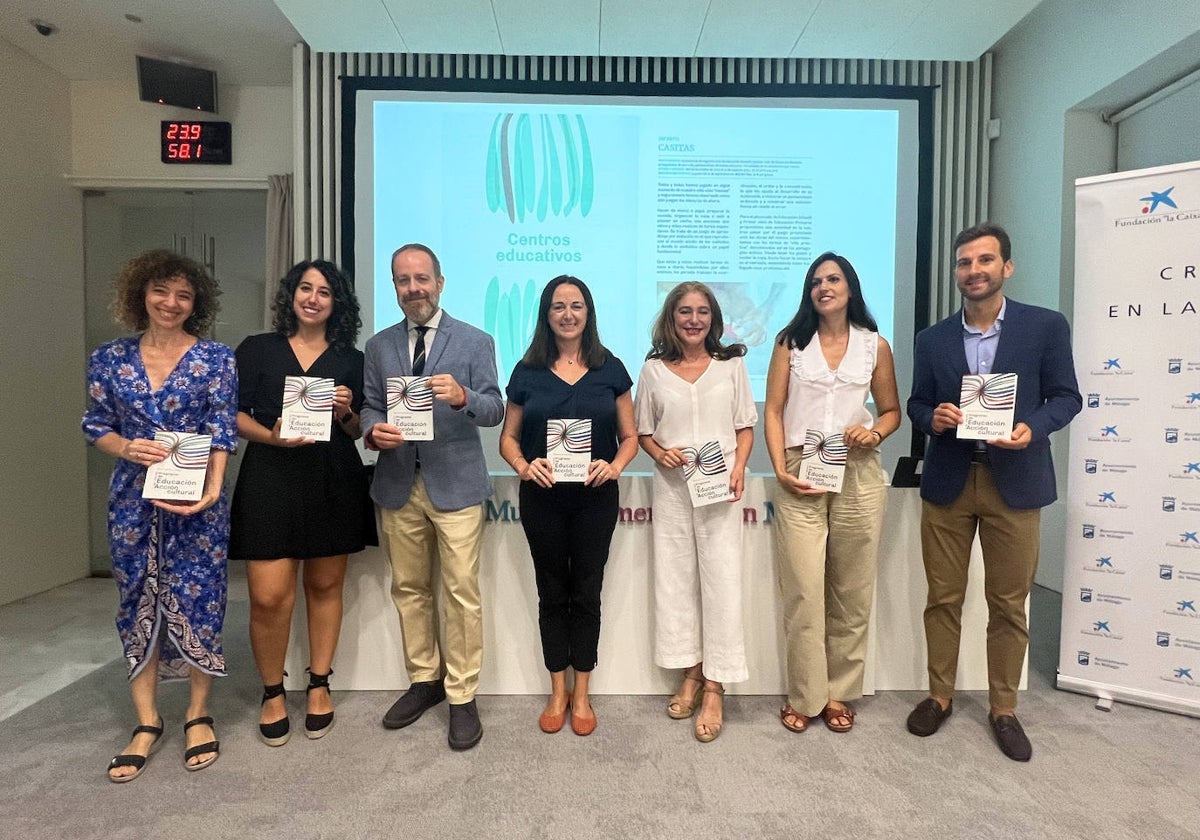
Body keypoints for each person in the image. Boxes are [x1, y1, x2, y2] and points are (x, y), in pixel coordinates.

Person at [905, 222, 1080, 761]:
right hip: (950, 480)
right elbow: (916, 404)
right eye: (964, 263)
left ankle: (1004, 707)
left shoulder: (1044, 327)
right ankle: (940, 695)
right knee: (943, 598)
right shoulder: (932, 339)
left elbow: (1066, 396)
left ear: (1006, 267)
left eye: (985, 261)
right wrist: (932, 418)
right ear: (956, 272)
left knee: (1008, 602)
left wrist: (1035, 426)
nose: (973, 271)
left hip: (1016, 481)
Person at [82, 250, 237, 781]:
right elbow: (94, 424)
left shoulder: (216, 358)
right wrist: (126, 448)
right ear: (140, 295)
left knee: (201, 596)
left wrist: (215, 489)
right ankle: (147, 721)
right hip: (131, 501)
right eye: (160, 292)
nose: (171, 303)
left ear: (197, 303)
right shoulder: (109, 358)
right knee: (134, 598)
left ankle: (198, 712)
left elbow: (221, 430)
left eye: (183, 295)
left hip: (197, 501)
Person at [361, 243, 504, 751]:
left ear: (440, 282)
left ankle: (461, 693)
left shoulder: (474, 340)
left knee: (461, 590)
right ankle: (425, 680)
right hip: (399, 483)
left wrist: (465, 398)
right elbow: (370, 409)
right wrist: (374, 431)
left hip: (457, 484)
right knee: (409, 588)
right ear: (395, 287)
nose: (413, 288)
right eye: (403, 280)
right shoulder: (378, 347)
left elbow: (495, 410)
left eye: (422, 278)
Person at [229, 260, 377, 746]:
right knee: (269, 596)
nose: (313, 298)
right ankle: (273, 692)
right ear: (291, 295)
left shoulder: (352, 359)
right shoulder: (257, 349)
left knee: (325, 585)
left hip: (333, 479)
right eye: (305, 289)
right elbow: (231, 416)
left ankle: (318, 684)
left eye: (325, 292)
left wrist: (348, 412)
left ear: (338, 304)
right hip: (269, 477)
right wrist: (271, 437)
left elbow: (361, 433)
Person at [764, 252, 901, 735]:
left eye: (834, 278)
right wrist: (780, 467)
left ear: (850, 286)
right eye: (816, 281)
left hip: (858, 470)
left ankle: (840, 692)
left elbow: (890, 411)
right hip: (802, 468)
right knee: (803, 588)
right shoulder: (790, 343)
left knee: (851, 589)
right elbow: (775, 410)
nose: (824, 287)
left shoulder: (875, 345)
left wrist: (877, 434)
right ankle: (806, 694)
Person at [499, 275, 638, 737]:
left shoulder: (610, 368)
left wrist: (616, 466)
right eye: (558, 306)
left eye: (576, 305)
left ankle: (583, 691)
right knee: (551, 593)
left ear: (588, 312)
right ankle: (557, 689)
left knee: (587, 593)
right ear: (546, 314)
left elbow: (631, 437)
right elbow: (508, 439)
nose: (568, 314)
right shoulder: (527, 371)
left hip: (595, 500)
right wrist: (522, 466)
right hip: (542, 500)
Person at [634, 282, 756, 743]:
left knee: (722, 584)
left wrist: (740, 466)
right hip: (671, 489)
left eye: (702, 311)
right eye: (684, 311)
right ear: (671, 317)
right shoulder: (652, 371)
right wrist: (658, 453)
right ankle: (690, 671)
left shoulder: (732, 366)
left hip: (721, 486)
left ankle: (715, 686)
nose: (693, 319)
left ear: (713, 318)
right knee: (677, 581)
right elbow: (644, 432)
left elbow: (745, 426)